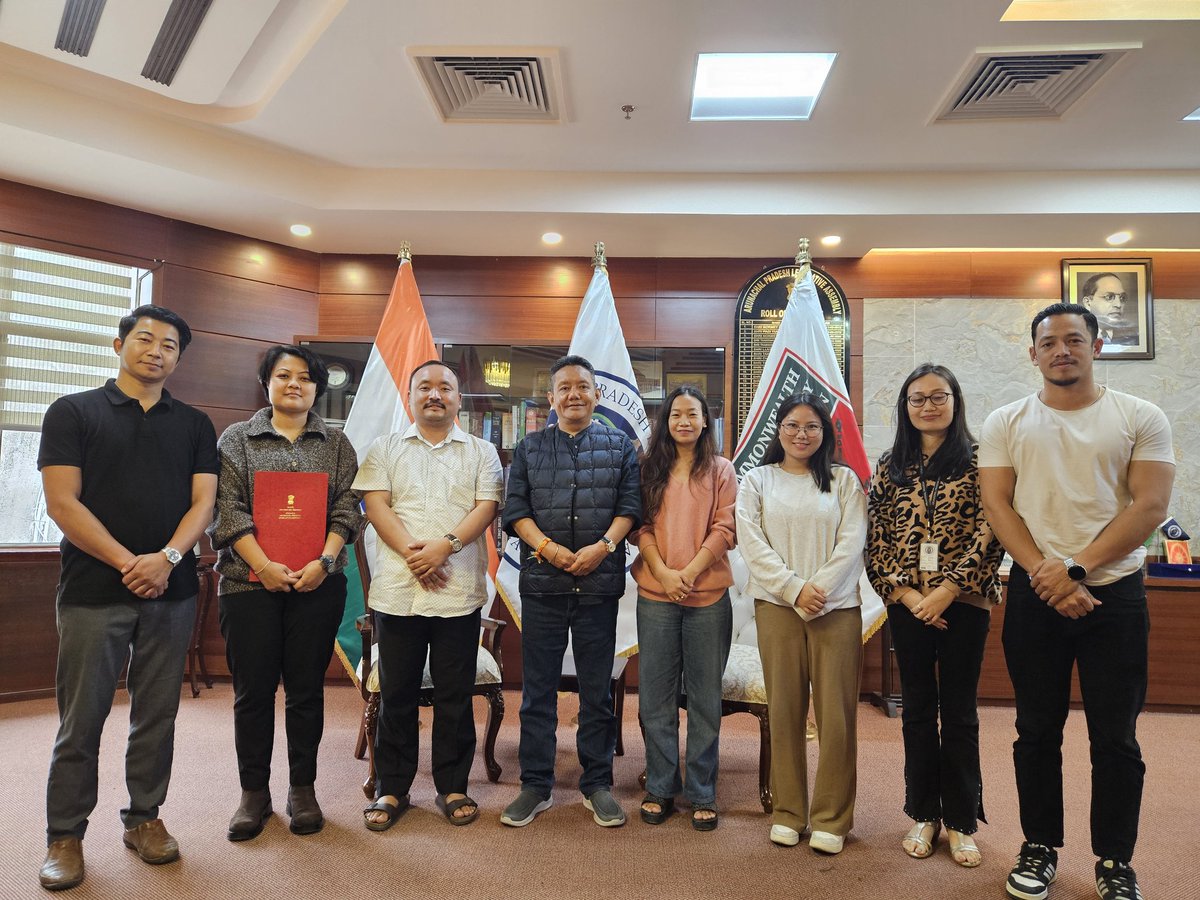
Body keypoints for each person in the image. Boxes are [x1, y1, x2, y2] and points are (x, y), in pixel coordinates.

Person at [979, 303, 1174, 900]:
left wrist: (1076, 570)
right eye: (1048, 342)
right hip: (1035, 593)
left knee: (1116, 736)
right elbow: (997, 505)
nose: (1061, 350)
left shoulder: (1140, 416)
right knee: (1036, 730)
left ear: (1097, 347)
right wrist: (1049, 577)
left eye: (1073, 340)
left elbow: (1149, 506)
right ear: (1032, 353)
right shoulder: (1006, 421)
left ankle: (1115, 860)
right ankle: (1039, 846)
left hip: (1114, 597)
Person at [37, 305, 218, 890]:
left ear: (178, 359)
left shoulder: (195, 424)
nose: (156, 351)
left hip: (172, 591)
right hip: (92, 592)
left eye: (170, 345)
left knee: (157, 714)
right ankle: (65, 835)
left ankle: (144, 818)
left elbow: (204, 503)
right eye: (145, 339)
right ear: (119, 345)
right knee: (82, 717)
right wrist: (128, 563)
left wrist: (166, 560)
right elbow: (63, 503)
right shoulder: (72, 412)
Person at [208, 344, 362, 841]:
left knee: (305, 691)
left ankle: (303, 789)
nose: (294, 384)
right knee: (252, 694)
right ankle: (253, 793)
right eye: (283, 375)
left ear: (317, 388)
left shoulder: (337, 445)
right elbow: (226, 510)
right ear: (267, 383)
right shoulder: (237, 439)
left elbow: (347, 509)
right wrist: (263, 566)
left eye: (305, 378)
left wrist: (324, 562)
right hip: (248, 586)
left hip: (318, 585)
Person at [354, 361, 503, 830]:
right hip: (398, 592)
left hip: (458, 592)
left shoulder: (481, 451)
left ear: (459, 399)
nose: (435, 395)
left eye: (445, 388)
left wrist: (445, 547)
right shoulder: (384, 447)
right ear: (410, 397)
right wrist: (414, 554)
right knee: (396, 693)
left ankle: (452, 785)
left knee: (454, 695)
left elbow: (487, 506)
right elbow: (375, 504)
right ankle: (392, 788)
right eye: (425, 387)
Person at [866, 363, 1003, 867]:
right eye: (917, 398)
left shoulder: (981, 459)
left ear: (955, 401)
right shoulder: (890, 464)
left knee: (960, 711)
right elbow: (876, 536)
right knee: (918, 711)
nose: (928, 406)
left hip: (963, 601)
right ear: (905, 407)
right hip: (908, 605)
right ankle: (924, 812)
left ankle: (963, 820)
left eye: (938, 396)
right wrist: (907, 595)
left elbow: (992, 529)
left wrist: (946, 590)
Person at [500, 354, 641, 828]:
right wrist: (548, 549)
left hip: (599, 585)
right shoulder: (530, 447)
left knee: (596, 692)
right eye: (565, 387)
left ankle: (597, 784)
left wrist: (604, 547)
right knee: (537, 691)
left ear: (597, 393)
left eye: (583, 386)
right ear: (551, 397)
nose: (574, 394)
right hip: (543, 585)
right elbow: (516, 511)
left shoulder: (620, 447)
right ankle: (535, 785)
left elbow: (630, 507)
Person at [736, 392, 867, 855]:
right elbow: (751, 541)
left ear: (825, 432)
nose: (801, 434)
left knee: (836, 717)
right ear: (779, 429)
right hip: (778, 607)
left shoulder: (843, 480)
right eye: (792, 425)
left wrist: (819, 589)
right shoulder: (758, 479)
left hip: (836, 608)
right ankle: (788, 812)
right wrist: (794, 589)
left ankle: (832, 818)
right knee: (785, 710)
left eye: (812, 426)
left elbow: (853, 541)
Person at [631, 387, 737, 831]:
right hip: (656, 596)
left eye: (692, 414)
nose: (684, 421)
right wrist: (663, 573)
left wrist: (689, 573)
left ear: (705, 420)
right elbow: (640, 526)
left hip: (707, 598)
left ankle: (701, 791)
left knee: (704, 700)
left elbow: (726, 528)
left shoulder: (721, 469)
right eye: (676, 414)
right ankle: (660, 786)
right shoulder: (647, 469)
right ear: (666, 421)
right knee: (655, 699)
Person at [1080, 272, 1138, 346]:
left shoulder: (1132, 338)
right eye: (1109, 297)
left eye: (1122, 298)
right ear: (1088, 303)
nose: (1118, 304)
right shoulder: (1076, 335)